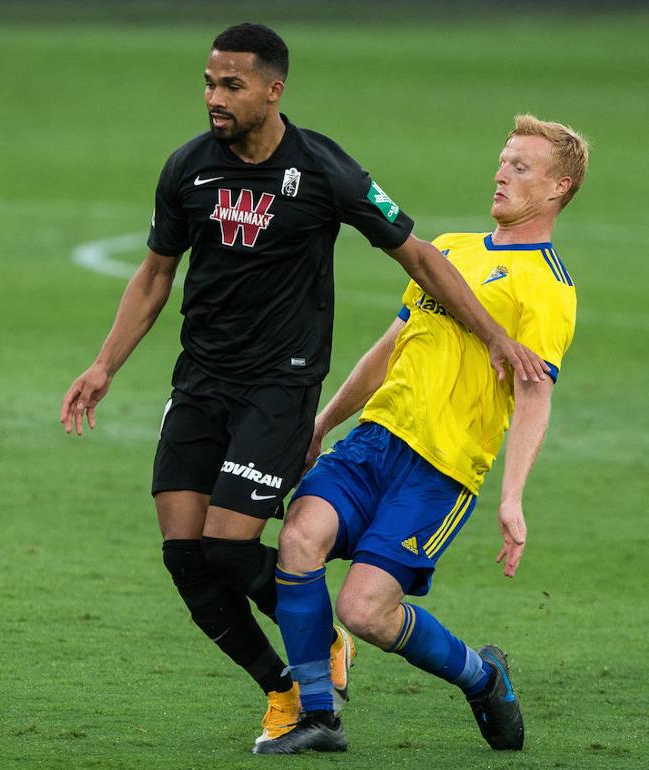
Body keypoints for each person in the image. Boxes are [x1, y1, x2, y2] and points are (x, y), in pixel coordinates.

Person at [59, 23, 547, 747]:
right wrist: (104, 365)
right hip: (199, 385)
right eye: (208, 83)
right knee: (184, 557)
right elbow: (157, 273)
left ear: (273, 90)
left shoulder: (324, 170)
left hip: (280, 390)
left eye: (231, 85)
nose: (214, 98)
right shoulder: (188, 169)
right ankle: (285, 691)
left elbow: (418, 256)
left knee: (228, 546)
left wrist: (494, 335)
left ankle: (319, 649)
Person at [255, 115, 589, 755]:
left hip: (441, 471)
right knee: (299, 538)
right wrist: (323, 425)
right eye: (502, 159)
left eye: (521, 167)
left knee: (365, 612)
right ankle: (317, 716)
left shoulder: (548, 287)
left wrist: (512, 497)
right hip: (372, 443)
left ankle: (484, 677)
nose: (500, 173)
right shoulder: (452, 248)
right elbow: (388, 349)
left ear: (558, 189)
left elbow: (534, 394)